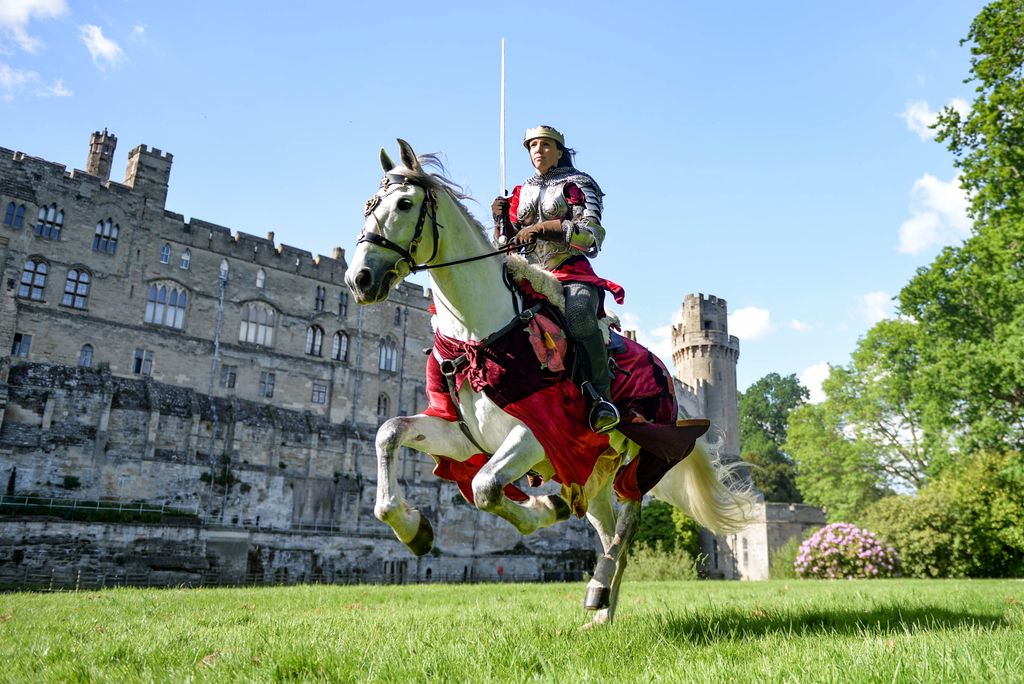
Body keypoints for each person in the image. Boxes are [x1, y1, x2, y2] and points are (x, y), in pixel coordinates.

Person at [491, 125, 622, 433]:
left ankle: (602, 400)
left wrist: (546, 228)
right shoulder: (520, 192)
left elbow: (592, 238)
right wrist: (500, 221)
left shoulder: (578, 184)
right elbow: (508, 244)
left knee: (578, 317)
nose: (539, 149)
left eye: (546, 144)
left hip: (570, 272)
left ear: (560, 151)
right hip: (529, 273)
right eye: (533, 145)